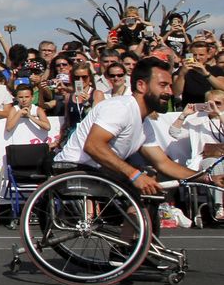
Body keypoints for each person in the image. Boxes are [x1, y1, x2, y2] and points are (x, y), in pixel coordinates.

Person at [55, 58, 223, 207]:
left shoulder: (145, 122)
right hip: (74, 170)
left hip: (99, 173)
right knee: (143, 182)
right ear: (141, 85)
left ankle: (133, 241)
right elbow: (93, 145)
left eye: (170, 86)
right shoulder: (120, 108)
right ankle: (136, 239)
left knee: (152, 188)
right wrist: (135, 175)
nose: (169, 92)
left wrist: (207, 178)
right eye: (163, 85)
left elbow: (163, 163)